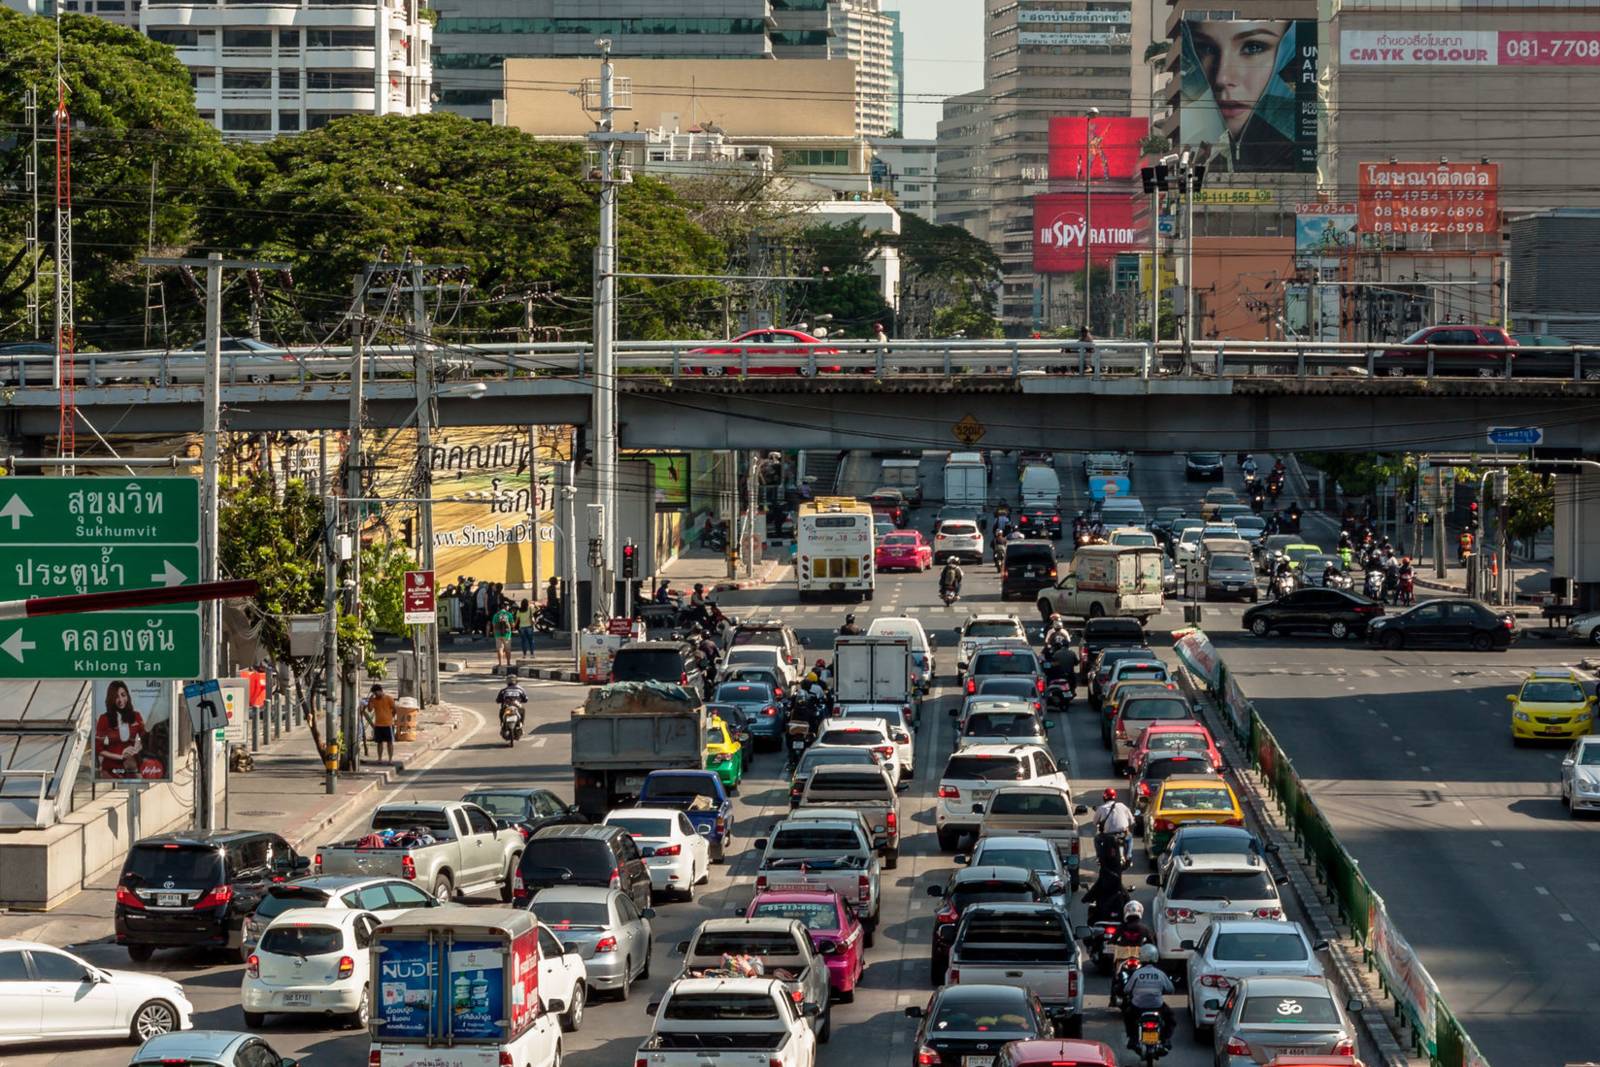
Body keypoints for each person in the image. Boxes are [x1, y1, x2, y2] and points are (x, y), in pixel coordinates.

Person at [1122, 943, 1175, 1051]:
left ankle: (1133, 1039)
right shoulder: (1160, 974)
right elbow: (1171, 989)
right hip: (1157, 1006)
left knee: (1128, 1017)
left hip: (1138, 1006)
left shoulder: (1137, 973)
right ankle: (1165, 1040)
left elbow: (1126, 989)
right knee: (1171, 1019)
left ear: (1141, 956)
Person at [95, 680, 151, 779]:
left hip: (132, 764)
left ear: (127, 696)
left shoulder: (136, 716)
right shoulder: (104, 719)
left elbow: (144, 738)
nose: (120, 700)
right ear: (111, 699)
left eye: (123, 695)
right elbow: (99, 749)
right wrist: (121, 756)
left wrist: (136, 748)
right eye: (116, 697)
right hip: (112, 767)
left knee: (139, 779)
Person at [1094, 787, 1136, 871]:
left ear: (1104, 797)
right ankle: (1128, 856)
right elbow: (1132, 821)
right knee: (1130, 838)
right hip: (1123, 834)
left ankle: (1099, 857)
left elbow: (1095, 822)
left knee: (1096, 839)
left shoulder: (1101, 808)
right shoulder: (1122, 806)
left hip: (1108, 836)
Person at [364, 683, 398, 764]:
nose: (375, 695)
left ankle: (390, 759)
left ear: (380, 691)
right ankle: (380, 758)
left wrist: (391, 717)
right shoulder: (374, 700)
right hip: (378, 724)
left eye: (376, 693)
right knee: (379, 743)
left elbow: (394, 709)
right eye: (374, 694)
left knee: (389, 743)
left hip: (388, 724)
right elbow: (369, 710)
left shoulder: (389, 698)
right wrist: (370, 700)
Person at [491, 599, 516, 669]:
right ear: (506, 607)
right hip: (507, 634)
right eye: (508, 606)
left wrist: (494, 633)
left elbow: (493, 626)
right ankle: (508, 663)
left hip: (498, 634)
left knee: (499, 649)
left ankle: (500, 663)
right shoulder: (509, 614)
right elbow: (513, 625)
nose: (508, 607)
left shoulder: (496, 615)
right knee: (507, 649)